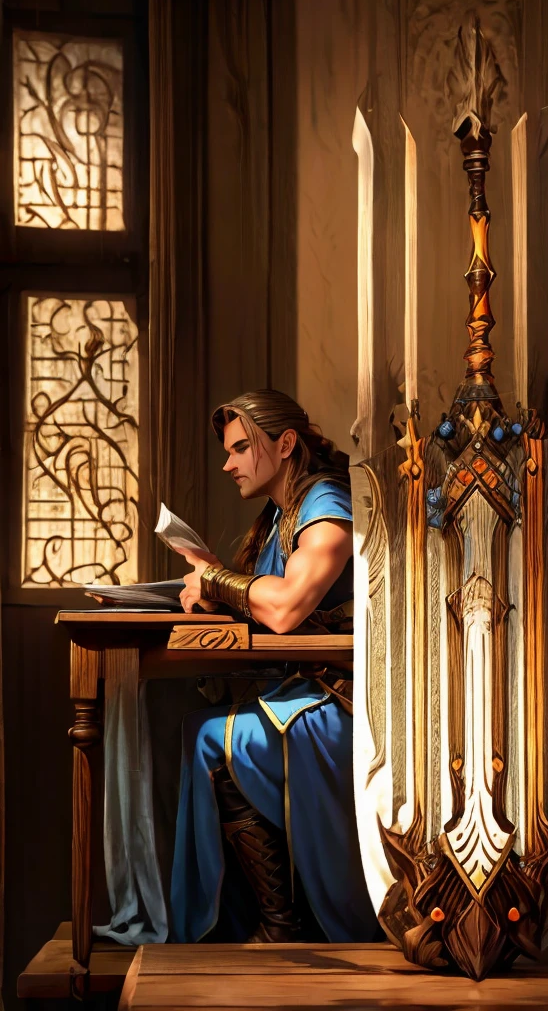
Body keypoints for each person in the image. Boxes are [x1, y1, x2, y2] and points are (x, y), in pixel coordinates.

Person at [170, 389, 378, 944]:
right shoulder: (279, 516)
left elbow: (285, 608)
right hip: (305, 691)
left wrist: (218, 582)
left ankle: (283, 926)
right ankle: (275, 919)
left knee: (211, 738)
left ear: (285, 444)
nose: (228, 462)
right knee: (200, 727)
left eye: (241, 448)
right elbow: (266, 601)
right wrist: (216, 586)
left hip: (343, 704)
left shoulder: (326, 502)